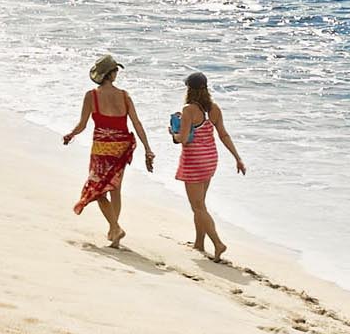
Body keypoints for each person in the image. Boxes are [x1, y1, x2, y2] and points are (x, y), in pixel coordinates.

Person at [63, 55, 151, 247]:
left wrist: (71, 134)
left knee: (98, 190)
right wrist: (147, 148)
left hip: (102, 149)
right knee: (115, 189)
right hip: (122, 147)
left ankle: (115, 228)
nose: (117, 73)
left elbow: (83, 124)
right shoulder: (124, 95)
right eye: (116, 71)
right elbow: (136, 123)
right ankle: (114, 232)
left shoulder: (91, 96)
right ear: (110, 74)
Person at [167, 71, 244, 259]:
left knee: (198, 207)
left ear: (189, 89)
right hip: (210, 160)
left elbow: (184, 139)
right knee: (200, 204)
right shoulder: (214, 109)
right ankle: (199, 243)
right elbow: (223, 135)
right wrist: (237, 158)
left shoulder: (188, 110)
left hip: (194, 161)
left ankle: (218, 243)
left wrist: (172, 134)